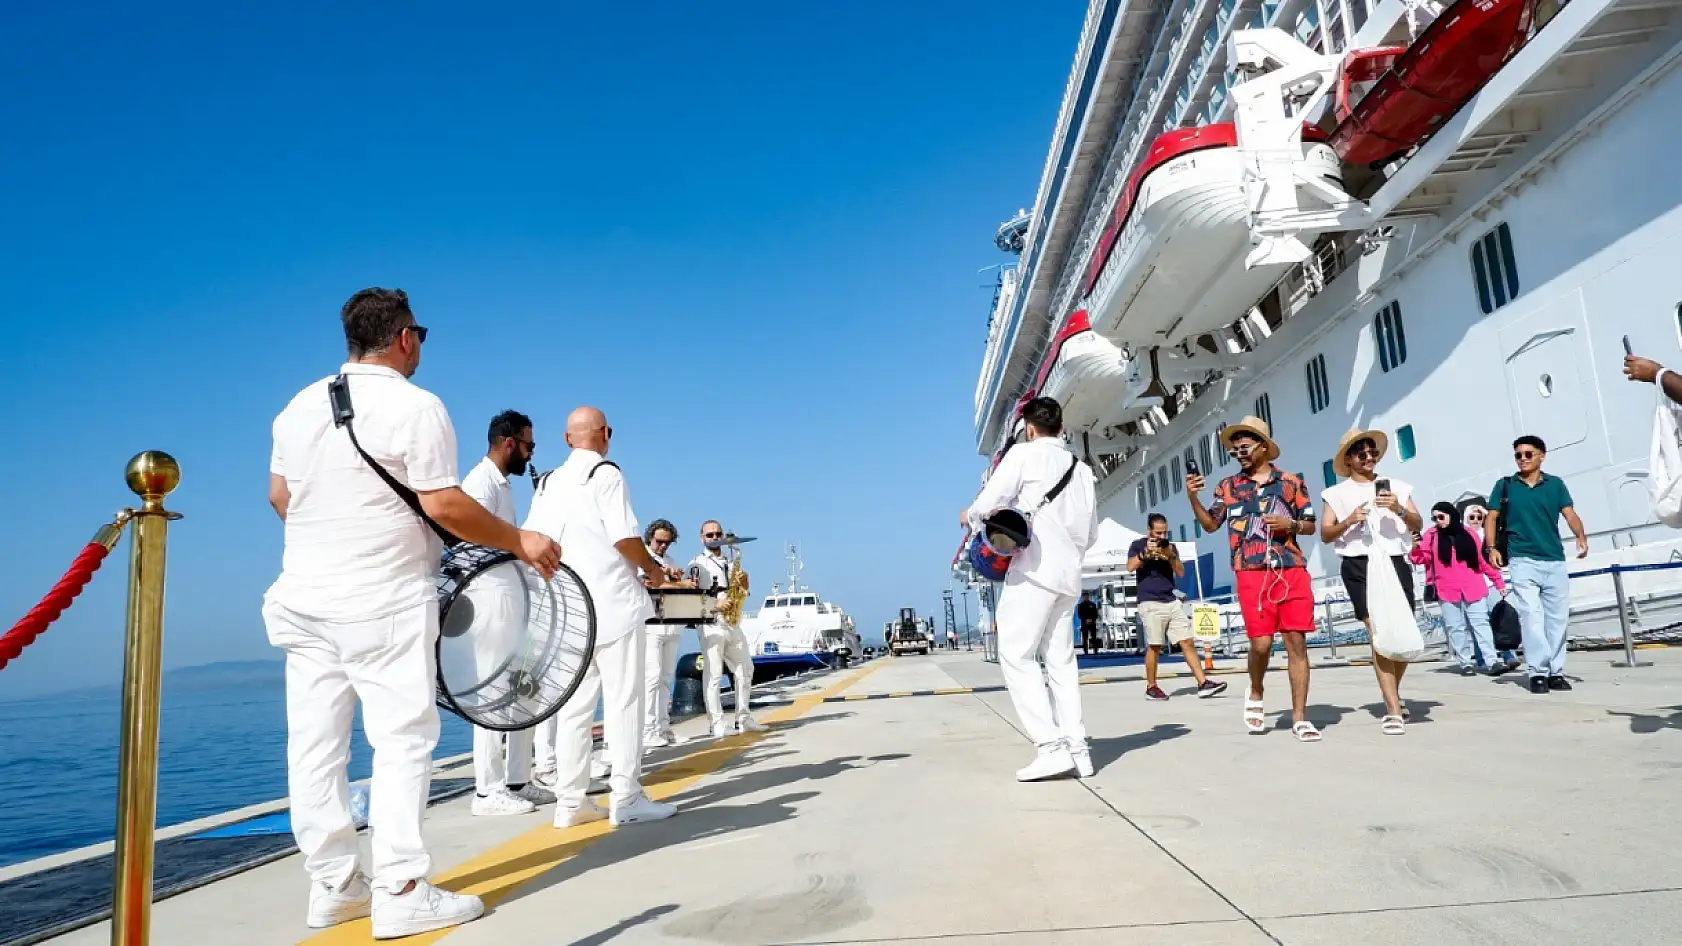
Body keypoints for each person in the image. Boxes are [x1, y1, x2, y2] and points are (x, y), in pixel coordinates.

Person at [265, 288, 561, 937]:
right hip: (383, 598)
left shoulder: (297, 408)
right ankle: (400, 887)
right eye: (420, 333)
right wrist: (523, 541)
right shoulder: (416, 406)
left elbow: (279, 496)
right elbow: (445, 506)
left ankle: (334, 887)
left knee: (315, 747)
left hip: (302, 597)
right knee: (401, 739)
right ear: (405, 338)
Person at [523, 407, 682, 827]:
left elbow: (532, 540)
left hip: (569, 610)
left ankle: (571, 803)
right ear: (606, 433)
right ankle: (626, 798)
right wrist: (654, 571)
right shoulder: (606, 474)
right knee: (624, 703)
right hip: (613, 607)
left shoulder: (547, 483)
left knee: (575, 709)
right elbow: (625, 538)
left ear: (566, 439)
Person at [963, 396, 1099, 780]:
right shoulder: (1082, 469)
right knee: (1061, 662)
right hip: (1069, 576)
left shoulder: (1023, 455)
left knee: (1017, 655)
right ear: (1059, 427)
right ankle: (1079, 749)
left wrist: (969, 515)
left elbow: (988, 504)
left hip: (1034, 573)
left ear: (1030, 428)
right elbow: (1090, 535)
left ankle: (1051, 747)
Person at [1187, 416, 1321, 741]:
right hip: (1250, 571)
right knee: (1260, 644)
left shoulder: (1290, 482)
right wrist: (1193, 498)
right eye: (1235, 450)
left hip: (1290, 569)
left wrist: (1290, 526)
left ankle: (1299, 717)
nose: (1239, 453)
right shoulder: (1228, 487)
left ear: (1263, 446)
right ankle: (1257, 690)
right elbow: (1210, 525)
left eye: (1244, 446)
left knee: (1296, 642)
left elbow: (1310, 524)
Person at [460, 410, 555, 816]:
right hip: (491, 597)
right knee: (494, 693)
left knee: (523, 690)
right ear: (509, 442)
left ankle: (518, 779)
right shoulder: (479, 482)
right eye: (529, 445)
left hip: (513, 597)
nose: (532, 455)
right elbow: (469, 540)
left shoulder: (502, 485)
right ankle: (487, 790)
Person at [1319, 429, 1424, 735]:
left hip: (1393, 559)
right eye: (1361, 453)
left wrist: (1398, 508)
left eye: (1372, 452)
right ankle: (1392, 708)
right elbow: (1326, 534)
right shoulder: (1335, 494)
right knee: (1377, 633)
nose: (1368, 457)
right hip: (1359, 562)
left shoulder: (1398, 488)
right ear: (1348, 459)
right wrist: (1349, 520)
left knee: (1402, 627)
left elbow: (1418, 523)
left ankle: (1390, 690)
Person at [1487, 435, 1589, 695]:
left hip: (1554, 559)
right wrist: (1491, 548)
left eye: (1528, 454)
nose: (1522, 459)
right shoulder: (1505, 485)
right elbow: (1492, 516)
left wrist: (1580, 536)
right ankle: (1538, 673)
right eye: (1518, 455)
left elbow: (1569, 513)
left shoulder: (1555, 485)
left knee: (1558, 620)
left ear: (1542, 455)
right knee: (1531, 617)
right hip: (1522, 559)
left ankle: (1556, 672)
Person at [1127, 514, 1225, 700]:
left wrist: (1170, 555)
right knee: (1155, 645)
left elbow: (1180, 573)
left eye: (1164, 532)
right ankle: (1151, 686)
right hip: (1149, 601)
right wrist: (1144, 554)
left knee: (1187, 641)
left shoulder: (1170, 547)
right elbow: (1130, 567)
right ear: (1149, 531)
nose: (1162, 536)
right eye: (1158, 533)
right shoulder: (1138, 544)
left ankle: (1203, 683)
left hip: (1171, 599)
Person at [1413, 502, 1510, 676]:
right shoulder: (1431, 535)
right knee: (1455, 627)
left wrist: (1498, 582)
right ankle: (1465, 662)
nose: (1438, 521)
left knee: (1481, 624)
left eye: (1441, 517)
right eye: (1434, 518)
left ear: (1451, 515)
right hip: (1446, 590)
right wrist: (1414, 547)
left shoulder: (1468, 533)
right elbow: (1423, 559)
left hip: (1473, 586)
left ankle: (1492, 661)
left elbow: (1481, 561)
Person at [691, 522, 767, 738]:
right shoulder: (697, 564)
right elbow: (691, 594)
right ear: (702, 538)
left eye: (718, 533)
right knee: (714, 674)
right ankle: (717, 723)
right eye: (710, 534)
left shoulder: (730, 562)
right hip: (711, 622)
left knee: (745, 669)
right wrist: (716, 604)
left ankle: (743, 718)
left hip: (732, 622)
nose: (715, 537)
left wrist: (745, 582)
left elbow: (742, 590)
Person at [641, 519, 684, 748]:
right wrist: (682, 585)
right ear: (650, 538)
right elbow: (652, 584)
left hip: (670, 623)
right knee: (652, 677)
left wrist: (676, 578)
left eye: (668, 543)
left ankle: (663, 727)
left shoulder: (670, 561)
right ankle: (648, 730)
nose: (663, 546)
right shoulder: (643, 559)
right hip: (651, 625)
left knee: (666, 677)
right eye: (659, 541)